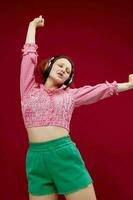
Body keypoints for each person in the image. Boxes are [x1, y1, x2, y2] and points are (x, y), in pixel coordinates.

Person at [20, 15, 133, 200]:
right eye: (61, 65)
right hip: (35, 159)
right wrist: (32, 26)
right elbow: (28, 56)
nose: (64, 70)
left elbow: (100, 90)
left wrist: (127, 85)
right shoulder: (28, 89)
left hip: (64, 154)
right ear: (49, 65)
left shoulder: (70, 95)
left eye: (68, 71)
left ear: (68, 79)